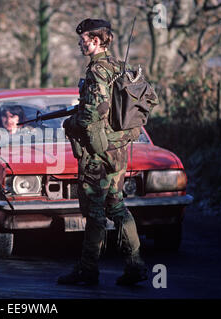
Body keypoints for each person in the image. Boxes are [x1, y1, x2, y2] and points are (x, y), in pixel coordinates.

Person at [58, 18, 147, 286]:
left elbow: (94, 113)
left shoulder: (97, 71)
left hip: (98, 154)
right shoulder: (120, 67)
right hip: (118, 149)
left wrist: (70, 123)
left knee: (95, 212)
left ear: (96, 41)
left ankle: (88, 270)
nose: (79, 43)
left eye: (83, 39)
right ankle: (135, 265)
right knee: (117, 205)